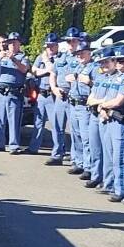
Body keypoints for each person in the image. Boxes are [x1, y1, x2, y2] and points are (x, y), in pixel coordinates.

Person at [96, 46, 124, 203]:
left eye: (123, 60)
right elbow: (106, 98)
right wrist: (102, 107)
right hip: (110, 119)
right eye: (117, 60)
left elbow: (118, 101)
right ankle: (113, 185)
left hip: (121, 120)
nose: (119, 63)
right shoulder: (114, 78)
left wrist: (103, 105)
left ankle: (122, 190)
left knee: (119, 157)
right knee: (110, 155)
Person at [49, 28, 83, 166]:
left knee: (75, 130)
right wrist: (54, 88)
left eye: (74, 41)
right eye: (69, 41)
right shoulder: (61, 58)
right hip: (60, 95)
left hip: (73, 96)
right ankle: (57, 154)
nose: (71, 43)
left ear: (78, 42)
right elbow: (53, 74)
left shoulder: (81, 57)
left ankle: (76, 159)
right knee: (57, 127)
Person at [0, 32, 30, 153]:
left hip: (14, 93)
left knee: (13, 121)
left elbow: (24, 69)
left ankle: (14, 145)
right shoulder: (0, 56)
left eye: (14, 43)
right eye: (9, 43)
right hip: (0, 92)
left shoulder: (23, 57)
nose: (11, 45)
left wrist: (13, 58)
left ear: (19, 44)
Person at [84, 48, 114, 190]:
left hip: (107, 116)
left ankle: (108, 180)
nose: (103, 65)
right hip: (95, 115)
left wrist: (99, 101)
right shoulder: (100, 78)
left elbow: (110, 99)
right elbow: (91, 98)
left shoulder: (115, 79)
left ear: (114, 61)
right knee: (95, 147)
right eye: (101, 63)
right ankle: (96, 176)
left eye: (106, 62)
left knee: (107, 151)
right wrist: (98, 102)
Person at [27, 33, 61, 155]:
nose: (49, 49)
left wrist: (47, 65)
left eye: (52, 46)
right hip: (41, 93)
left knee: (55, 124)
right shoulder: (40, 57)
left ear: (57, 46)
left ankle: (58, 151)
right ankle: (33, 147)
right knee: (38, 122)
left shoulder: (60, 58)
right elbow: (35, 71)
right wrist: (46, 69)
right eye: (47, 46)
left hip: (53, 95)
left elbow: (54, 70)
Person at [66, 42, 95, 177]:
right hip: (74, 104)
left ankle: (88, 167)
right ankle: (79, 163)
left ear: (89, 53)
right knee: (76, 135)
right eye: (78, 54)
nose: (80, 56)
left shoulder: (94, 68)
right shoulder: (77, 67)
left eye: (82, 53)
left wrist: (89, 81)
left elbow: (99, 85)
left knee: (86, 137)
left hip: (84, 106)